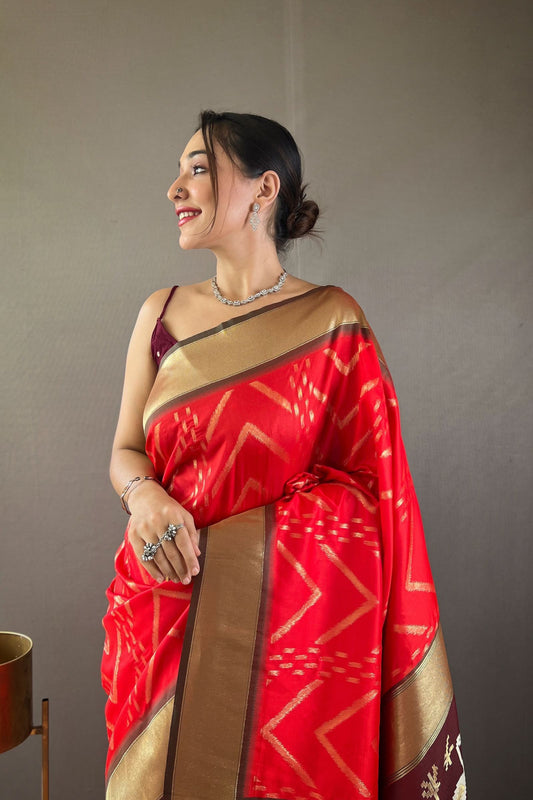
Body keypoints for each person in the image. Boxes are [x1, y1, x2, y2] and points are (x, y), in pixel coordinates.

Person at [102, 111, 465, 800]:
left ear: (263, 189)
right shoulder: (160, 315)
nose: (176, 187)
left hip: (294, 647)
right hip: (163, 608)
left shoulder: (332, 324)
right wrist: (143, 495)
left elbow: (375, 496)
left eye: (199, 168)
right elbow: (126, 450)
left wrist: (238, 553)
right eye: (180, 170)